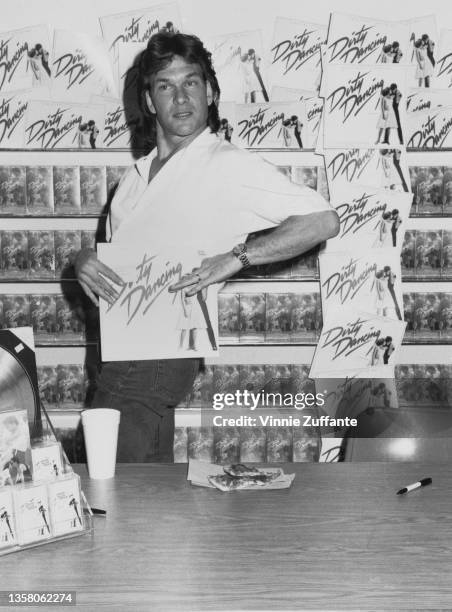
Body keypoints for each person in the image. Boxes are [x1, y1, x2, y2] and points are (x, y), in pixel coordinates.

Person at [73, 32, 339, 462]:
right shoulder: (134, 178)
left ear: (211, 92)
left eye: (191, 82)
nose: (180, 97)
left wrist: (236, 259)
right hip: (116, 354)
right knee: (144, 499)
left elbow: (322, 220)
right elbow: (114, 262)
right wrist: (84, 258)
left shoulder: (225, 163)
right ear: (148, 101)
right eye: (165, 85)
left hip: (158, 357)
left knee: (109, 488)